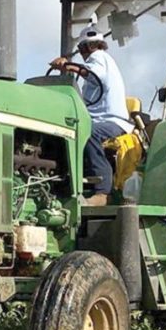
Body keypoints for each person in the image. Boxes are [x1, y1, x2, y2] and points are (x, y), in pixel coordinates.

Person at [49, 26, 133, 206]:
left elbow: (96, 76)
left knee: (89, 132)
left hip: (113, 121)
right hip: (96, 119)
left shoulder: (99, 58)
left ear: (85, 48)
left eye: (81, 49)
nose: (82, 54)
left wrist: (69, 65)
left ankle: (103, 193)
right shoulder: (99, 63)